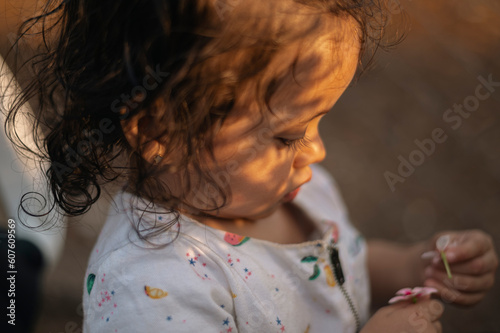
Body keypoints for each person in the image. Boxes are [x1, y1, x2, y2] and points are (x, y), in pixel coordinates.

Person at [4, 0, 497, 332]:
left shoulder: (298, 189)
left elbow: (343, 265)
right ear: (160, 132)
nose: (316, 152)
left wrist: (416, 265)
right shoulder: (151, 290)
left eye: (318, 122)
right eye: (287, 135)